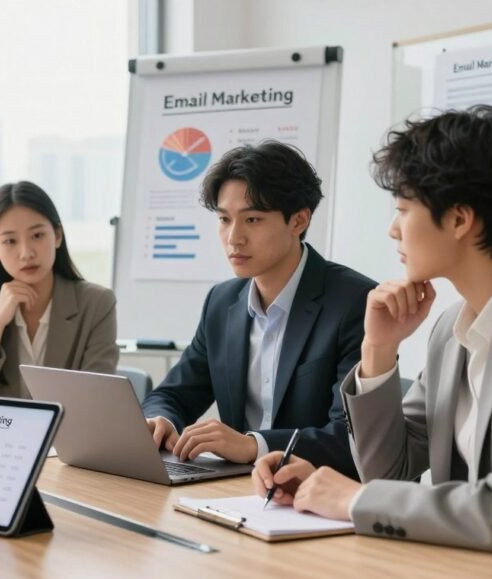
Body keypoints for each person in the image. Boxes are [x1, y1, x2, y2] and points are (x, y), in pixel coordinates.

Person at [253, 106, 492, 558]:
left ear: (461, 220)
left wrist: (352, 499)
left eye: (403, 209)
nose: (392, 229)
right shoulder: (452, 327)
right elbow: (391, 472)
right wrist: (379, 349)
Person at [141, 141, 375, 474]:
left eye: (252, 219)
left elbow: (351, 436)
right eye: (224, 219)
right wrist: (160, 419)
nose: (234, 238)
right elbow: (173, 394)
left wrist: (253, 445)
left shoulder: (355, 301)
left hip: (315, 494)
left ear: (298, 221)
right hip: (233, 489)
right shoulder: (222, 303)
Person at [0, 181, 119, 396]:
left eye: (37, 236)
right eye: (10, 241)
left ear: (57, 236)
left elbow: (98, 397)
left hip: (67, 430)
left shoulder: (96, 303)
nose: (26, 253)